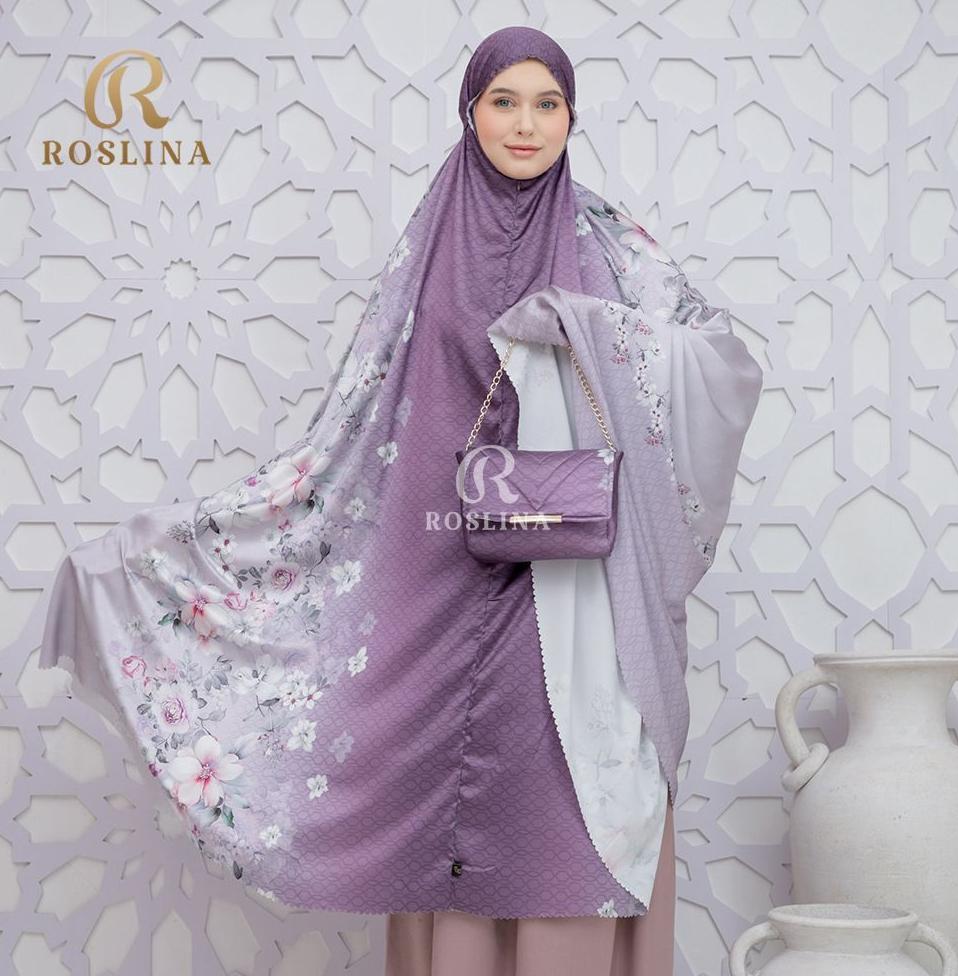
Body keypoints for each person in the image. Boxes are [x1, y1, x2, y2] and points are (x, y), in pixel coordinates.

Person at [38, 25, 762, 976]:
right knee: (440, 807)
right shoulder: (429, 248)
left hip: (577, 590)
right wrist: (190, 552)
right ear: (470, 112)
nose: (526, 124)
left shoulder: (609, 245)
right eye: (504, 102)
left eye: (547, 104)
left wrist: (586, 327)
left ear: (571, 118)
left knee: (563, 801)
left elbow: (720, 361)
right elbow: (359, 418)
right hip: (438, 575)